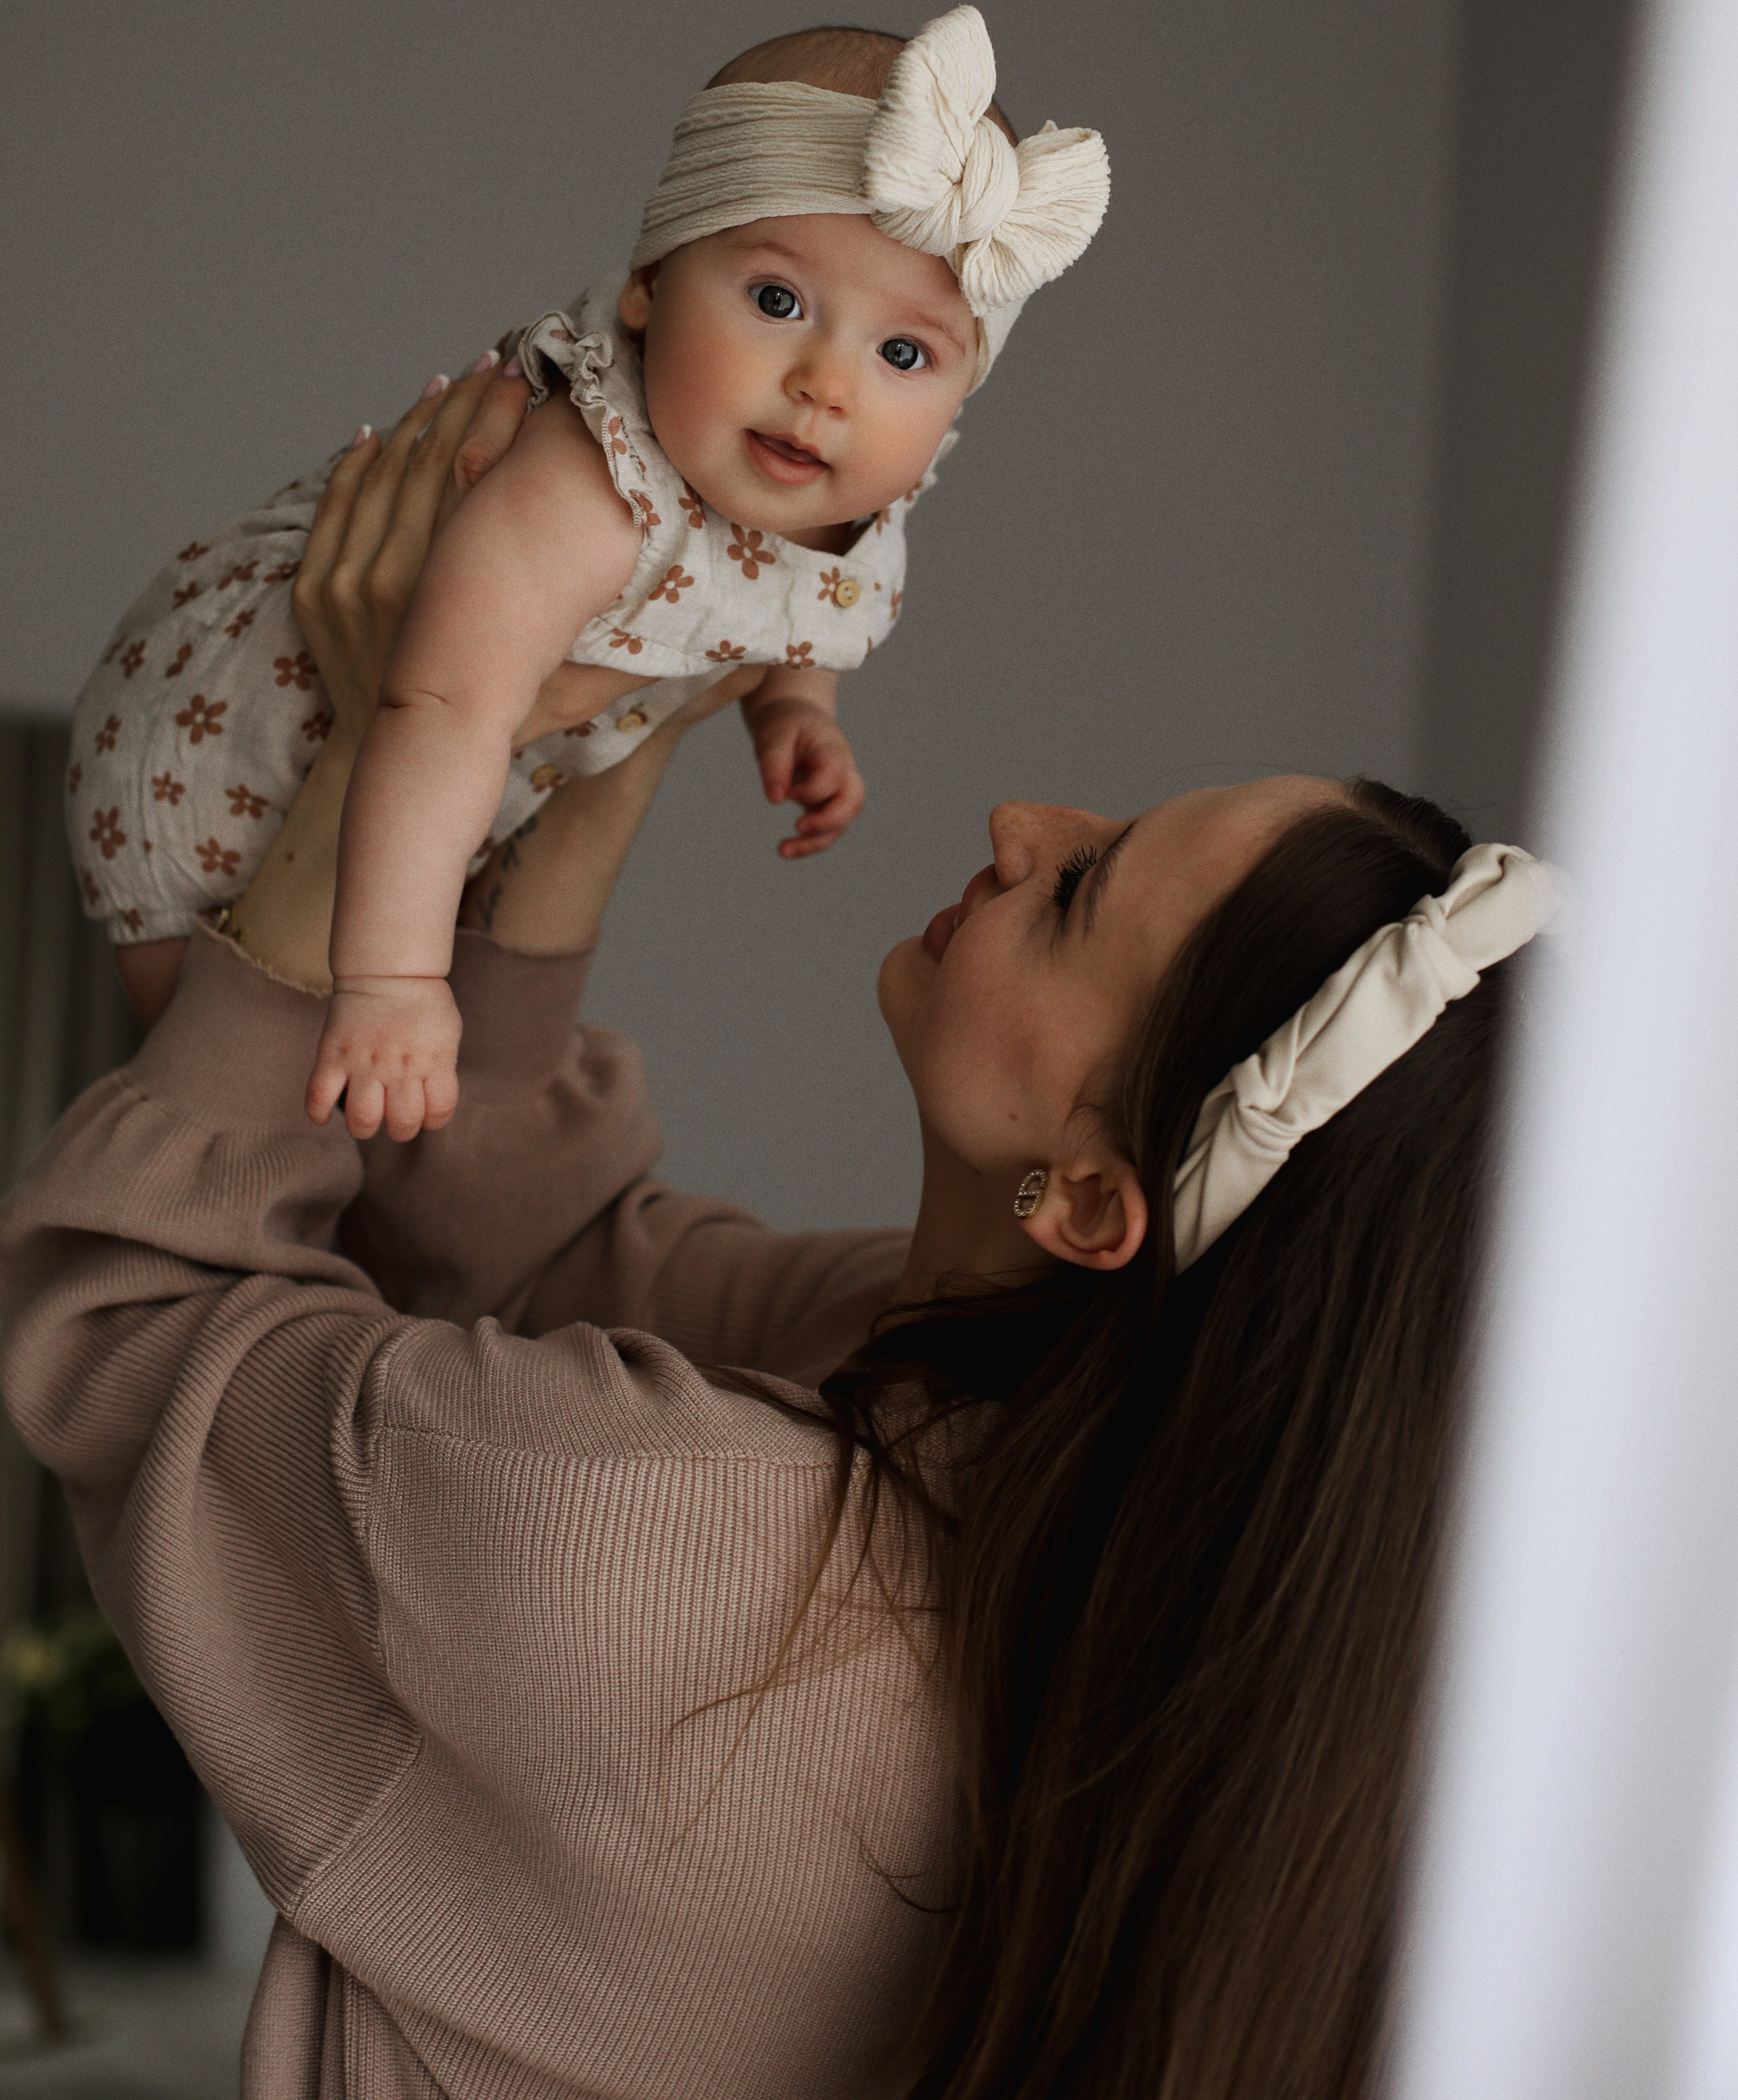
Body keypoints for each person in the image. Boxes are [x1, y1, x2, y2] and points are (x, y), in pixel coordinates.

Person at [2, 379, 1557, 2100]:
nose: (1019, 822)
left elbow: (127, 1315)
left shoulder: (671, 1543)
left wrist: (390, 753)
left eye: (1078, 889)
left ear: (1097, 1200)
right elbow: (544, 1256)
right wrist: (613, 746)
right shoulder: (1051, 1471)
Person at [64, 4, 1111, 1140]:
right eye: (778, 301)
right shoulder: (592, 486)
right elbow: (438, 705)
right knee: (219, 1113)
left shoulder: (839, 494)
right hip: (213, 746)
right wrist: (398, 986)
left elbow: (785, 601)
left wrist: (795, 704)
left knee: (332, 1132)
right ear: (650, 285)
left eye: (902, 353)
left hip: (430, 803)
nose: (826, 383)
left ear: (961, 392)